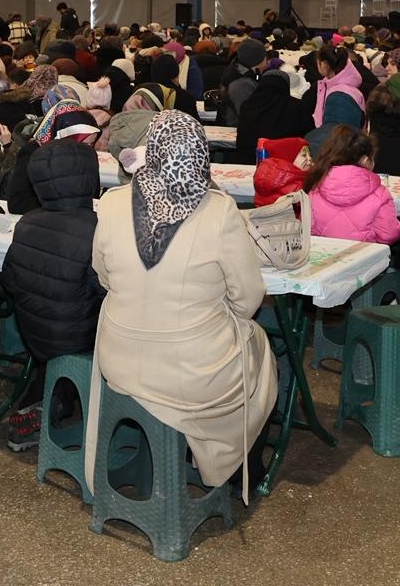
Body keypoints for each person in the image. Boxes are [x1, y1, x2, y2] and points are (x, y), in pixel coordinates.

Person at [84, 112, 277, 503]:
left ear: (152, 149)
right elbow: (248, 298)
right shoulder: (220, 211)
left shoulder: (113, 202)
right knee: (260, 351)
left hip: (119, 358)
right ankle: (238, 465)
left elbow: (104, 277)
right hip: (191, 372)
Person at [0, 138, 105, 452]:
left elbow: (9, 279)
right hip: (79, 339)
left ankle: (43, 402)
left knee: (58, 358)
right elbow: (107, 289)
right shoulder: (96, 229)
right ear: (90, 179)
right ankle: (62, 405)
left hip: (36, 336)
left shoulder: (28, 223)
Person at [302, 125, 400, 244]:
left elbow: (308, 230)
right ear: (365, 160)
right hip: (365, 257)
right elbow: (388, 235)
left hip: (326, 258)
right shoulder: (380, 194)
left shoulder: (315, 188)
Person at [232, 67, 310, 163]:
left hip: (247, 161)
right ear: (286, 85)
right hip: (284, 164)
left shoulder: (248, 105)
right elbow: (307, 134)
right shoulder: (298, 106)